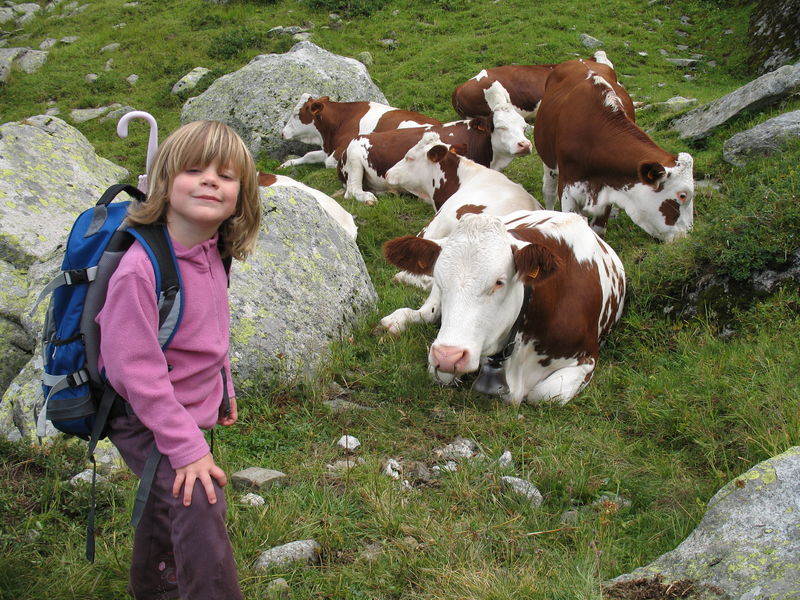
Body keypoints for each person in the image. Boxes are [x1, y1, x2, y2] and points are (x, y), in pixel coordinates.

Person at [96, 120, 261, 600]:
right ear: (163, 184)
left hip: (182, 407)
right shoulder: (139, 269)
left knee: (170, 499)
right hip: (141, 413)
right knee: (200, 500)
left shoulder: (214, 251)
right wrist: (187, 445)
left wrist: (223, 384)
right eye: (194, 169)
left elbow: (209, 331)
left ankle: (154, 588)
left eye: (226, 176)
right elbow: (134, 371)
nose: (210, 180)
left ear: (241, 196)